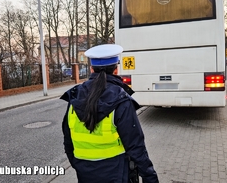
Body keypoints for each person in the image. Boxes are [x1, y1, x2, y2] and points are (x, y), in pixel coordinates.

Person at [61, 44, 159, 183]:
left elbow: (68, 141)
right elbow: (135, 146)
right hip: (116, 172)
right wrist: (150, 178)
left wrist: (78, 165)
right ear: (116, 69)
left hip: (84, 173)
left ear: (91, 69)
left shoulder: (74, 96)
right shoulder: (121, 100)